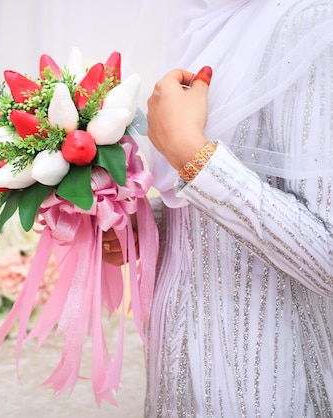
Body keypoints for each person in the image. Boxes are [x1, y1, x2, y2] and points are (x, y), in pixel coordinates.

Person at [103, 0, 333, 415]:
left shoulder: (312, 25)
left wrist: (194, 156)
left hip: (270, 383)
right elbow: (214, 205)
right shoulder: (192, 21)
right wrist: (146, 224)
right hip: (173, 366)